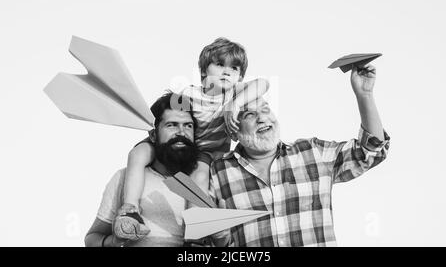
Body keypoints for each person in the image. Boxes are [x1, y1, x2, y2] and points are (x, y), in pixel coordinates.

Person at [209, 64, 391, 246]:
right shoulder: (218, 173)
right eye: (249, 114)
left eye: (265, 109)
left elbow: (369, 152)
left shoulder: (311, 152)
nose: (262, 118)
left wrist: (365, 94)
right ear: (233, 132)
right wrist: (219, 236)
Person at [113, 38, 270, 240]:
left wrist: (237, 105)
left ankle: (196, 234)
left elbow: (263, 84)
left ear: (239, 77)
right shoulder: (189, 93)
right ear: (204, 71)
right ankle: (130, 208)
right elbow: (167, 116)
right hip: (180, 144)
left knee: (199, 177)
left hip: (207, 152)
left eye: (234, 68)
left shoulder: (234, 94)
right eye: (220, 64)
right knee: (138, 153)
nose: (227, 72)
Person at [85, 92, 230, 247]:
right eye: (171, 125)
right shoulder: (125, 178)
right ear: (153, 135)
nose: (182, 132)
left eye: (188, 126)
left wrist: (222, 237)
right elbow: (92, 238)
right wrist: (114, 241)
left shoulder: (212, 180)